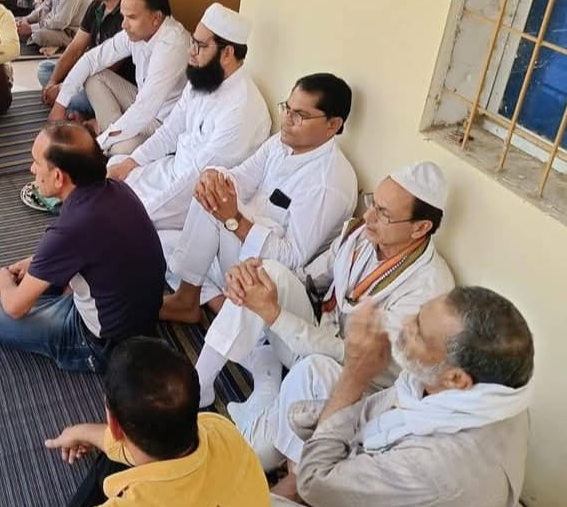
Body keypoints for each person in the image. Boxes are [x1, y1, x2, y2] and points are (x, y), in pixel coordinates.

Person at [193, 162, 455, 462]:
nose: (368, 216)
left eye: (384, 213)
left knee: (255, 455)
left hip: (355, 383)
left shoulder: (427, 290)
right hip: (317, 335)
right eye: (373, 202)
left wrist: (275, 315)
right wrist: (256, 272)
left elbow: (359, 359)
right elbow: (310, 278)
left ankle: (268, 384)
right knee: (266, 274)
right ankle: (198, 386)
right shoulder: (360, 234)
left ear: (420, 228)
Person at [271, 287, 534, 507]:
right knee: (313, 371)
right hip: (388, 496)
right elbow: (374, 412)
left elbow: (315, 481)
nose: (406, 323)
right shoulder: (490, 395)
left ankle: (294, 481)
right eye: (418, 314)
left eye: (418, 331)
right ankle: (296, 482)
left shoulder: (437, 464)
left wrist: (353, 375)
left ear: (456, 378)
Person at [0, 337, 279, 507]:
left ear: (114, 423)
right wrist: (84, 432)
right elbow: (127, 447)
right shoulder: (220, 429)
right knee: (112, 463)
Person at [0, 122, 166, 373]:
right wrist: (35, 263)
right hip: (137, 319)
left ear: (58, 177)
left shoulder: (71, 228)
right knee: (35, 279)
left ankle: (11, 330)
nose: (31, 169)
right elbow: (85, 248)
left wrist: (4, 284)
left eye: (36, 163)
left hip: (101, 344)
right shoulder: (117, 189)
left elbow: (15, 307)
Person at [160, 73, 357, 324]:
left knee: (209, 213)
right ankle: (216, 299)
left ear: (333, 125)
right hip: (237, 244)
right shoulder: (281, 143)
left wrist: (233, 220)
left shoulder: (328, 184)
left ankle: (189, 299)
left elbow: (291, 259)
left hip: (267, 275)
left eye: (300, 115)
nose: (287, 120)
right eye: (287, 108)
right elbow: (240, 178)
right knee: (164, 237)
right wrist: (212, 176)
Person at [103, 3, 272, 231]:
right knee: (116, 167)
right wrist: (131, 163)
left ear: (227, 53)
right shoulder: (203, 79)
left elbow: (197, 177)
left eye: (199, 46)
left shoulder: (242, 109)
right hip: (172, 172)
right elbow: (170, 132)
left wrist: (144, 211)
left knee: (123, 217)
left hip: (194, 201)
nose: (190, 51)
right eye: (192, 42)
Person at [50, 0, 189, 155]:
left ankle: (103, 134)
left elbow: (144, 110)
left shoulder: (173, 44)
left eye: (131, 17)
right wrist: (60, 105)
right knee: (93, 76)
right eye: (123, 16)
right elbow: (91, 59)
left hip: (163, 122)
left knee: (119, 149)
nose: (124, 25)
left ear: (156, 18)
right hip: (141, 104)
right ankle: (107, 132)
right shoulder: (138, 31)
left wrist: (98, 144)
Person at [38, 0, 131, 119]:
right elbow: (75, 48)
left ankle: (82, 112)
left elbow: (108, 68)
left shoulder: (127, 15)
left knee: (77, 96)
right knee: (45, 70)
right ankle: (78, 113)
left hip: (106, 84)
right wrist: (53, 82)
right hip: (86, 72)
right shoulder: (96, 6)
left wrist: (62, 90)